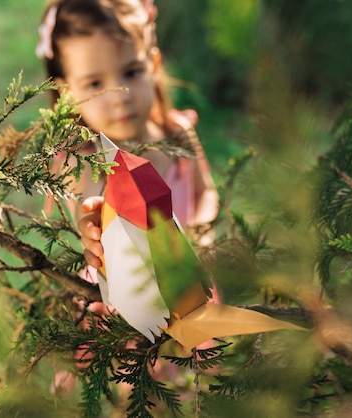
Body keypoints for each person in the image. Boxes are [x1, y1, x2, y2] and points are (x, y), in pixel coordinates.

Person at [36, 0, 219, 267]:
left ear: (153, 66)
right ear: (68, 94)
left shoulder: (177, 133)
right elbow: (89, 215)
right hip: (123, 303)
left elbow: (204, 192)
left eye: (132, 72)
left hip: (194, 280)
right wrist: (92, 232)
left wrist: (201, 237)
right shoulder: (82, 165)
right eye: (95, 83)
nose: (120, 97)